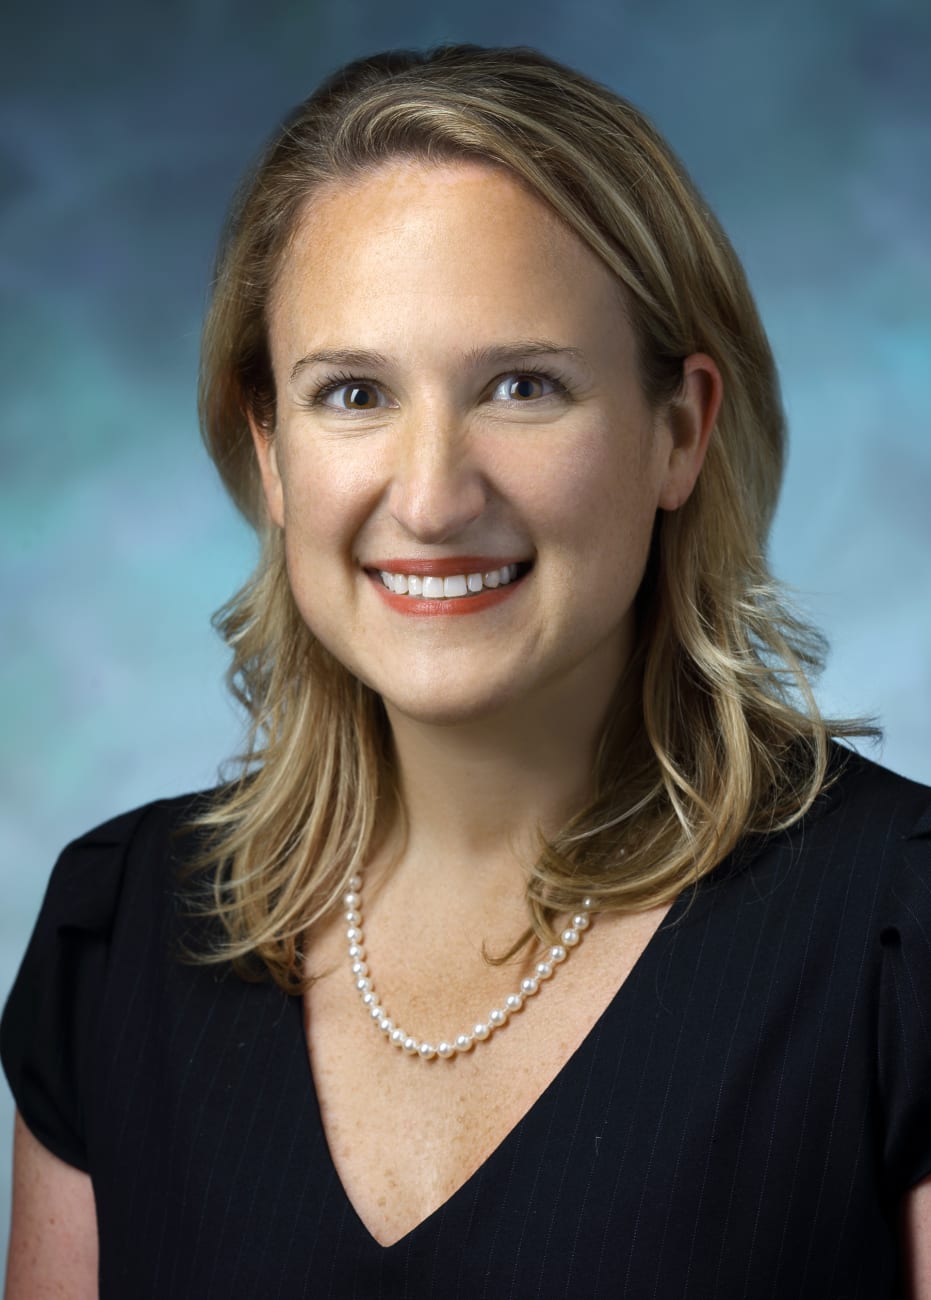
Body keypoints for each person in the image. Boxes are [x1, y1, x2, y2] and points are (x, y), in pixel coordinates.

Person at [2, 42, 929, 1299]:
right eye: (352, 395)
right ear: (270, 454)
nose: (432, 498)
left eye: (522, 384)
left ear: (679, 430)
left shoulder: (897, 938)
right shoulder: (115, 939)